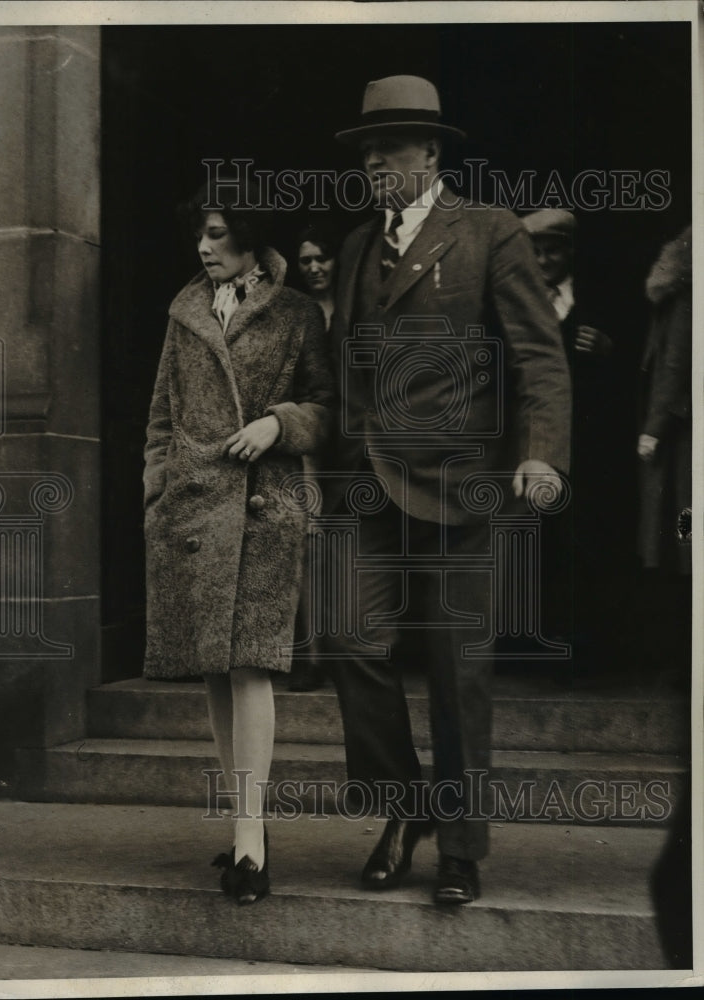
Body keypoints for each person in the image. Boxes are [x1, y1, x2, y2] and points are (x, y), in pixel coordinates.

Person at [323, 76, 571, 905]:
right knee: (350, 639)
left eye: (388, 146)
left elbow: (537, 353)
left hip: (462, 488)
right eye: (365, 148)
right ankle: (405, 808)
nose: (373, 161)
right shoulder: (359, 247)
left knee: (458, 668)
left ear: (431, 152)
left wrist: (542, 454)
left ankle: (459, 848)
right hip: (369, 488)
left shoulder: (490, 232)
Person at [143, 180, 334, 904]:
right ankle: (239, 823)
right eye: (201, 233)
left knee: (251, 668)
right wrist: (156, 489)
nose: (203, 246)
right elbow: (161, 414)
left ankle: (251, 841)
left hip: (262, 510)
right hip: (193, 512)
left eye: (218, 234)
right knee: (216, 674)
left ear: (251, 239)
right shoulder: (185, 312)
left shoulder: (293, 314)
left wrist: (279, 425)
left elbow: (326, 407)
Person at [521, 209, 614, 669]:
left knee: (581, 539)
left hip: (585, 447)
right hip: (533, 444)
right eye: (535, 252)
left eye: (552, 250)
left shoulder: (595, 301)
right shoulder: (517, 304)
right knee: (533, 542)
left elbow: (635, 363)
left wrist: (608, 351)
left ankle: (582, 646)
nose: (544, 260)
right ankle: (534, 646)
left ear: (569, 252)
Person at [636, 223, 692, 685]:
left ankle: (682, 662)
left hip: (683, 436)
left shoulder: (684, 303)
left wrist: (651, 431)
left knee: (685, 537)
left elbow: (673, 366)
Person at [288, 222, 342, 692]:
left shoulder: (355, 309)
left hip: (357, 441)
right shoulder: (298, 313)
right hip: (313, 442)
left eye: (321, 258)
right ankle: (311, 656)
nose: (313, 268)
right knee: (309, 543)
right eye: (305, 261)